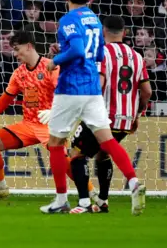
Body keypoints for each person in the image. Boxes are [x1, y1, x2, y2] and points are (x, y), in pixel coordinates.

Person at [39, 0, 145, 215]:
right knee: (107, 141)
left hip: (71, 88)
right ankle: (134, 181)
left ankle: (61, 199)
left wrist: (55, 61)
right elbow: (97, 53)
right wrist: (66, 51)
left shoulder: (68, 20)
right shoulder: (95, 20)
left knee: (56, 143)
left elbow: (77, 49)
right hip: (93, 90)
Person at [0, 30, 96, 200]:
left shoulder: (50, 67)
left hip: (51, 125)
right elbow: (3, 101)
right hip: (28, 125)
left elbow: (67, 93)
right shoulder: (19, 74)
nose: (15, 54)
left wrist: (55, 112)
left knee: (64, 160)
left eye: (17, 49)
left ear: (29, 46)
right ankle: (0, 187)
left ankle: (92, 193)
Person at [61, 16, 151, 214]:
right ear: (125, 33)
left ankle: (83, 202)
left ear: (103, 32)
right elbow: (147, 92)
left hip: (102, 117)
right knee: (102, 155)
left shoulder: (101, 53)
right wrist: (137, 114)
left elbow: (99, 84)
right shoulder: (137, 56)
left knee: (76, 154)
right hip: (125, 119)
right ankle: (102, 201)